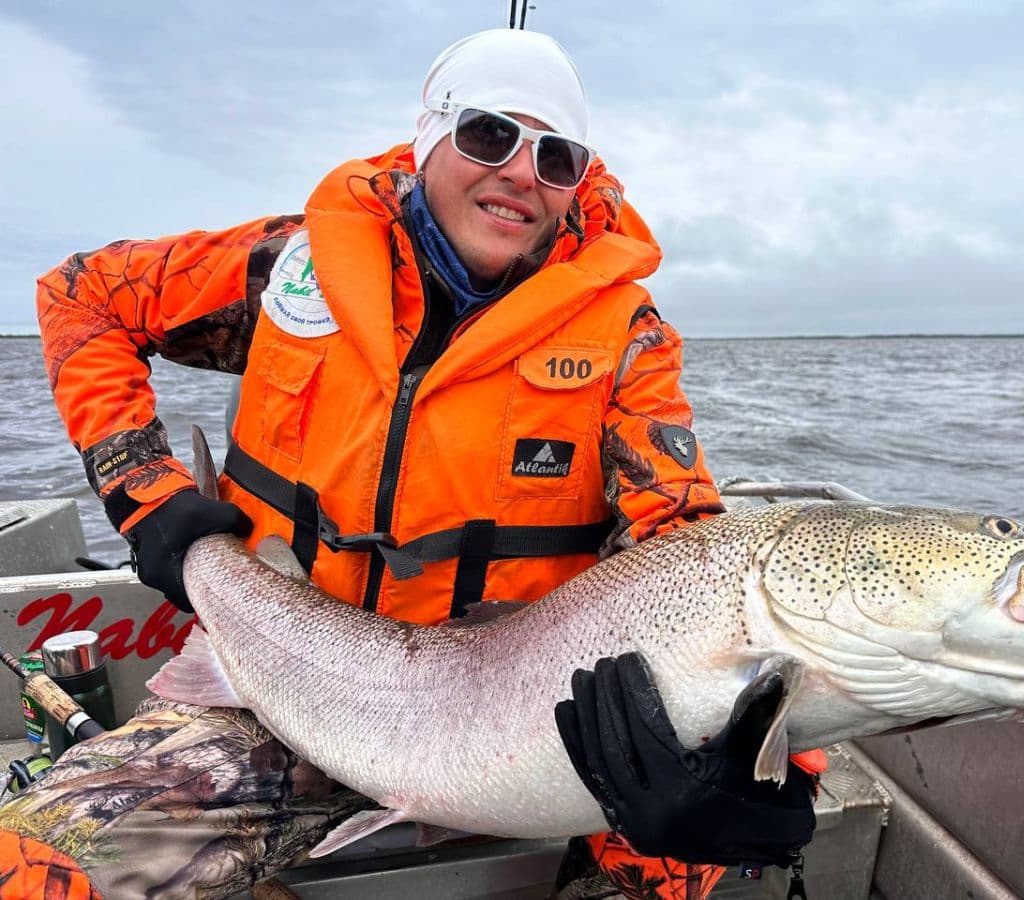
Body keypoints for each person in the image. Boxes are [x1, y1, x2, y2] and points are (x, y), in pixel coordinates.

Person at [2, 28, 818, 900]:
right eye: (487, 135)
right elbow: (81, 294)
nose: (519, 173)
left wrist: (772, 768)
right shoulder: (293, 268)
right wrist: (143, 490)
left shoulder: (626, 341)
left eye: (555, 155)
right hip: (281, 687)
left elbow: (696, 552)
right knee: (34, 867)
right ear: (430, 138)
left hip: (537, 723)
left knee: (692, 834)